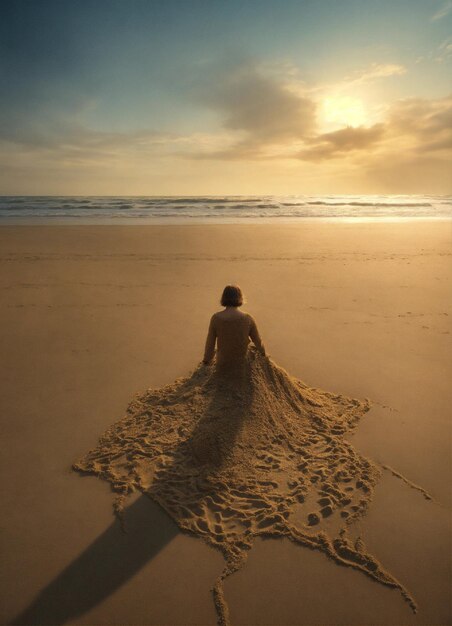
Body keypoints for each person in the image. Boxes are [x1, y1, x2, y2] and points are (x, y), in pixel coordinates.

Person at [202, 285, 266, 369]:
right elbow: (257, 341)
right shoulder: (247, 318)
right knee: (252, 350)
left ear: (223, 297)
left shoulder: (216, 318)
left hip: (223, 363)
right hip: (242, 364)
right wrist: (263, 354)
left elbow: (210, 343)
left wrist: (206, 360)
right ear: (240, 297)